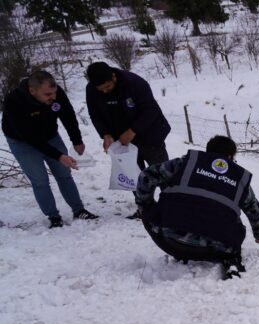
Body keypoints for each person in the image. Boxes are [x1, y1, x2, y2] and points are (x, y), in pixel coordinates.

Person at [134, 136, 259, 280]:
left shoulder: (186, 163)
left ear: (208, 151)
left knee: (149, 210)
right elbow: (256, 211)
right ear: (231, 156)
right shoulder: (238, 178)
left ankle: (181, 244)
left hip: (168, 240)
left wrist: (144, 205)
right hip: (215, 249)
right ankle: (231, 259)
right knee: (236, 228)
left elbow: (147, 175)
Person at [2, 70, 99, 228]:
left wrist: (77, 140)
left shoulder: (56, 93)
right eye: (47, 94)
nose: (53, 97)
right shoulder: (14, 100)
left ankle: (79, 209)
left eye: (54, 93)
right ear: (32, 91)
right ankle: (53, 216)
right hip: (22, 141)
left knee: (64, 174)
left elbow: (67, 115)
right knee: (40, 181)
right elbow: (30, 137)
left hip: (50, 135)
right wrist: (59, 155)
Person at [85, 61, 170, 219]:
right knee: (133, 176)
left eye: (107, 87)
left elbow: (151, 110)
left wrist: (133, 131)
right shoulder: (92, 90)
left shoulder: (135, 83)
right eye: (101, 89)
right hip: (123, 142)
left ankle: (174, 206)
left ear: (113, 76)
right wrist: (105, 134)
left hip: (150, 135)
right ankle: (144, 209)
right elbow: (95, 114)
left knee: (162, 172)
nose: (105, 91)